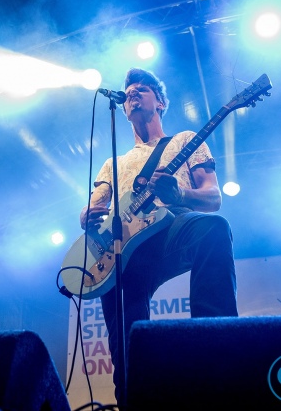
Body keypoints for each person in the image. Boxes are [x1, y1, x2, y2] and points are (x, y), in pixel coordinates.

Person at [79, 68, 238, 402]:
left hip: (171, 227)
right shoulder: (112, 162)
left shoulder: (184, 141)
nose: (133, 92)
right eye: (129, 91)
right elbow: (94, 207)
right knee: (126, 347)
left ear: (161, 102)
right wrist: (87, 215)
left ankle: (218, 343)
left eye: (143, 89)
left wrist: (180, 193)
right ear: (122, 108)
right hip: (122, 249)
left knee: (213, 229)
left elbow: (213, 198)